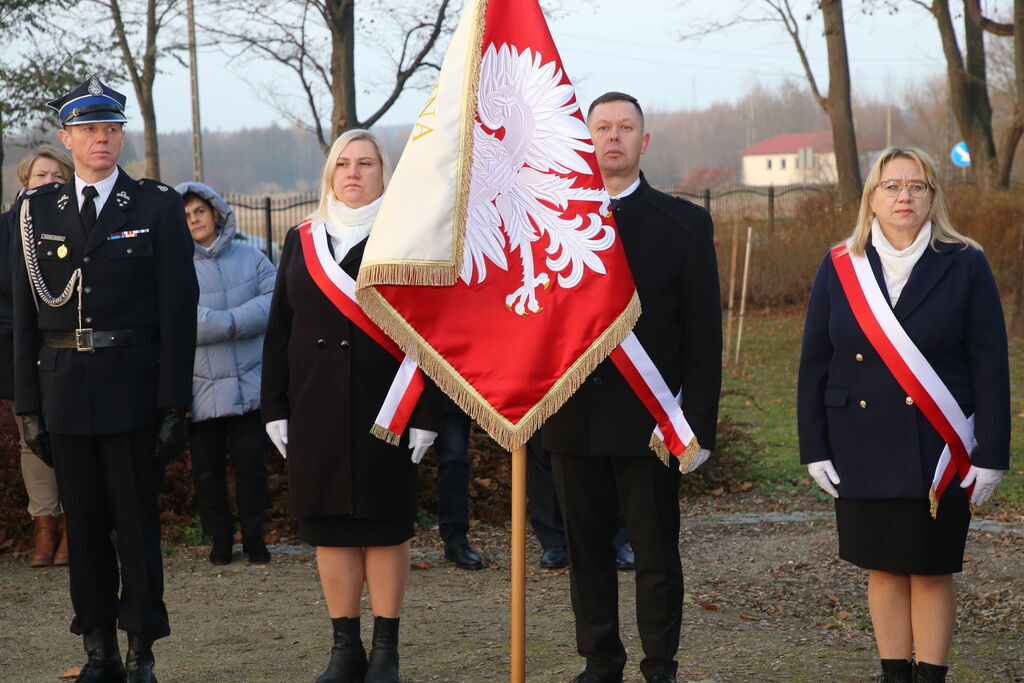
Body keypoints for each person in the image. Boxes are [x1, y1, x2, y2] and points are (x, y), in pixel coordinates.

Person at [797, 147, 1009, 683]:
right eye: (891, 186)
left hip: (938, 445)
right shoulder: (841, 263)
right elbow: (815, 361)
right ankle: (894, 675)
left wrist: (991, 454)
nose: (904, 196)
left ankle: (931, 677)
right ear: (872, 196)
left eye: (917, 186)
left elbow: (990, 364)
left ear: (933, 197)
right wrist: (814, 445)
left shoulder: (964, 261)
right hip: (860, 443)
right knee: (885, 567)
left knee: (933, 570)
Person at [11, 76, 198, 682]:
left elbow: (178, 310)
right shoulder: (36, 213)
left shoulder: (156, 206)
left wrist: (174, 404)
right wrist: (28, 407)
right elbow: (23, 319)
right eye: (90, 129)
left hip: (134, 390)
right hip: (65, 389)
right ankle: (98, 648)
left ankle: (141, 646)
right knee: (84, 528)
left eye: (112, 128)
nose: (102, 138)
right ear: (66, 138)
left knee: (137, 528)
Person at [543, 92, 722, 683]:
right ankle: (600, 661)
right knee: (586, 552)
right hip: (573, 414)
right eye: (601, 128)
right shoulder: (549, 221)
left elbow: (702, 334)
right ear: (584, 139)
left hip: (652, 421)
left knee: (655, 555)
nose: (613, 137)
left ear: (644, 142)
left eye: (625, 128)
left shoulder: (684, 224)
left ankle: (659, 663)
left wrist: (698, 423)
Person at [261, 129, 438, 683]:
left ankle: (386, 651)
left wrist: (427, 414)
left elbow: (435, 333)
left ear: (385, 173)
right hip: (315, 406)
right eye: (344, 163)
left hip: (389, 406)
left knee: (385, 525)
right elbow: (279, 328)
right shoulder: (302, 238)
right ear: (330, 174)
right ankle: (345, 650)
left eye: (366, 163)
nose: (354, 173)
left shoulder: (408, 239)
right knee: (330, 527)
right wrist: (274, 406)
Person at [174, 181, 276, 565]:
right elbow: (177, 318)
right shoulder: (173, 266)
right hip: (201, 388)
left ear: (215, 212)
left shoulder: (251, 257)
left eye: (200, 211)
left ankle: (254, 536)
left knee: (253, 465)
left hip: (250, 384)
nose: (194, 219)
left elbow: (273, 301)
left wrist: (232, 321)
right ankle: (220, 538)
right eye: (185, 215)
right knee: (207, 471)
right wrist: (233, 324)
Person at [1, 146, 73, 567]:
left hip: (65, 350)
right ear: (24, 183)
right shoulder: (4, 230)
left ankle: (75, 527)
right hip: (18, 352)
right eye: (41, 176)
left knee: (71, 435)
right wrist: (25, 328)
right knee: (33, 440)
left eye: (57, 177)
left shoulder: (77, 227)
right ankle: (44, 524)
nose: (49, 183)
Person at [432, 399, 485, 569]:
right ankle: (391, 542)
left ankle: (456, 540)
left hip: (447, 390)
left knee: (453, 462)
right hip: (399, 385)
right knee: (393, 462)